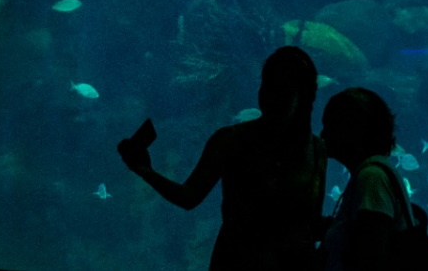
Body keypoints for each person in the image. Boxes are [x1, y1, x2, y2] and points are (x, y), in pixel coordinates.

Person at [117, 46, 327, 271]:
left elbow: (311, 222)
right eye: (267, 86)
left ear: (303, 97)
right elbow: (189, 196)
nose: (270, 98)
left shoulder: (316, 149)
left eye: (282, 92)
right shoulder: (230, 140)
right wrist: (145, 171)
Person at [320, 87, 411, 271]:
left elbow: (372, 256)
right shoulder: (372, 173)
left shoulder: (372, 178)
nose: (323, 134)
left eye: (330, 126)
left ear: (352, 130)